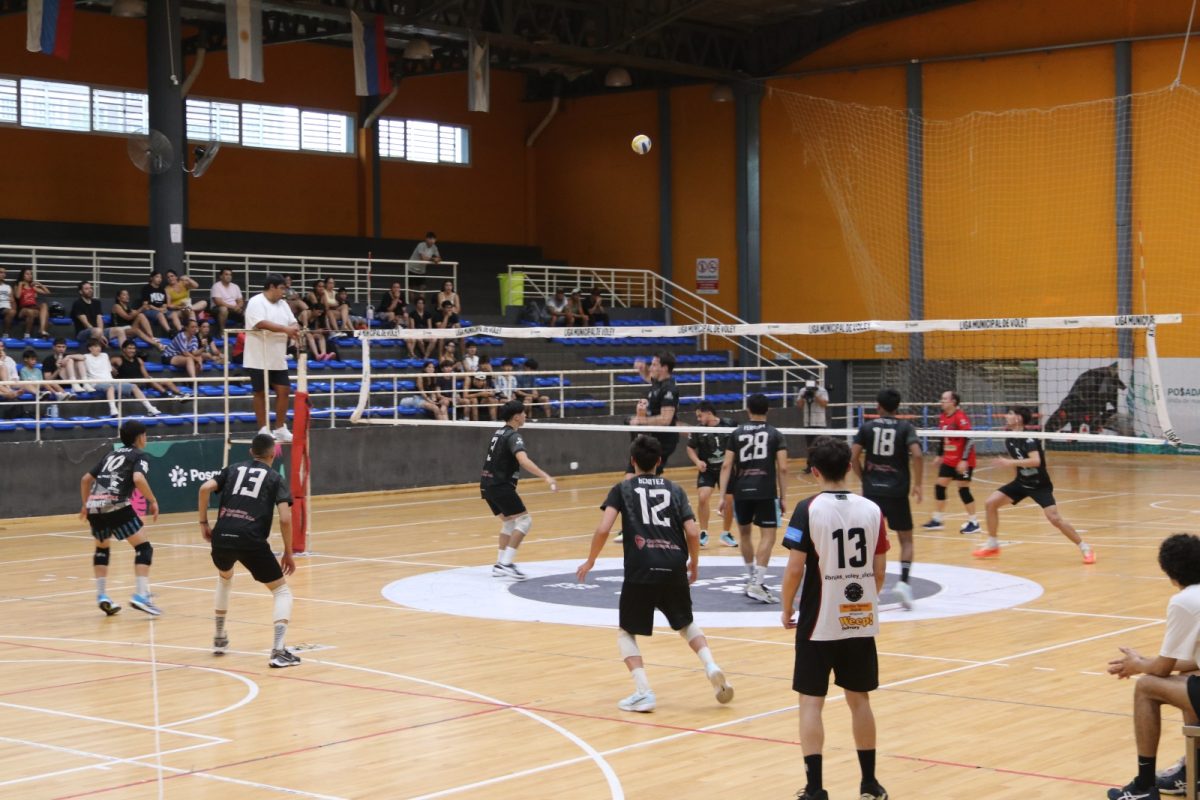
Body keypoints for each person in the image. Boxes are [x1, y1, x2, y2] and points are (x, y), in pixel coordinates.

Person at [576, 435, 734, 713]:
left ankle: (643, 691)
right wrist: (694, 563)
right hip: (674, 564)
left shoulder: (622, 489)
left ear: (633, 461)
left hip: (641, 567)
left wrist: (590, 561)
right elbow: (694, 532)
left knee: (626, 632)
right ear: (660, 462)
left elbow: (603, 529)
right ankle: (711, 665)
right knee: (686, 624)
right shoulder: (675, 490)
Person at [780, 436, 890, 800]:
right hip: (858, 618)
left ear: (814, 471)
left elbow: (795, 568)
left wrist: (785, 606)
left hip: (818, 620)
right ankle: (870, 785)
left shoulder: (807, 509)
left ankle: (815, 789)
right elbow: (879, 571)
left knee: (811, 702)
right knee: (860, 700)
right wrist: (860, 602)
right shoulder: (873, 510)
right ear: (848, 467)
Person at [1104, 533, 1200, 800]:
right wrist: (1145, 663)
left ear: (1169, 572)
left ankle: (1144, 787)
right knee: (1190, 674)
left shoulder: (1186, 600)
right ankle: (1195, 772)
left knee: (1146, 687)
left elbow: (1160, 669)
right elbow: (1190, 661)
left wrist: (1138, 666)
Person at [197, 433, 300, 668]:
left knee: (224, 579)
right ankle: (278, 650)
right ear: (273, 454)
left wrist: (204, 523)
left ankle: (220, 638)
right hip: (251, 538)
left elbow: (204, 488)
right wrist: (288, 551)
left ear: (251, 452)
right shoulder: (275, 477)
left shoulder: (232, 469)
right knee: (281, 592)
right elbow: (285, 518)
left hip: (222, 535)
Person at [975, 406, 1095, 563]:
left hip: (1040, 486)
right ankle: (992, 544)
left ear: (1018, 418)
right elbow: (1020, 464)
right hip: (1021, 483)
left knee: (1054, 519)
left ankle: (1085, 547)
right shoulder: (1009, 438)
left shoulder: (1029, 438)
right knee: (991, 503)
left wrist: (1008, 462)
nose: (1006, 416)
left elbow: (1036, 461)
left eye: (1010, 414)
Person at [851, 387, 923, 610]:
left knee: (870, 542)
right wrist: (918, 484)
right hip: (897, 491)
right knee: (906, 539)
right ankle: (903, 581)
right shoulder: (905, 427)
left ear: (878, 406)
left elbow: (853, 456)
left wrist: (864, 478)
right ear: (897, 406)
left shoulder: (867, 427)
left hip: (873, 492)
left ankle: (869, 587)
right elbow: (918, 455)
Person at [79, 419, 161, 616]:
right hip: (115, 504)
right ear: (140, 437)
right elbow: (138, 479)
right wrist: (153, 500)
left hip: (94, 505)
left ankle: (102, 596)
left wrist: (85, 504)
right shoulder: (140, 455)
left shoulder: (111, 454)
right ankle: (141, 596)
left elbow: (86, 479)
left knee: (102, 548)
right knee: (144, 548)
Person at [717, 392, 788, 603]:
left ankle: (752, 580)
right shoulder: (775, 434)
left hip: (741, 490)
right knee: (768, 536)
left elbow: (726, 465)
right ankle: (757, 583)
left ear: (748, 409)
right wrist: (784, 496)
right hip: (765, 491)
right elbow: (783, 468)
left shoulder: (736, 433)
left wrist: (722, 496)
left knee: (745, 535)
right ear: (768, 410)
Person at [481, 400, 557, 580]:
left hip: (487, 485)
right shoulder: (514, 436)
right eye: (523, 413)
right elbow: (523, 460)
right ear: (516, 417)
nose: (525, 416)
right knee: (524, 521)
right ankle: (506, 564)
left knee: (509, 522)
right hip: (500, 485)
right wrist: (546, 476)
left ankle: (500, 565)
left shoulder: (498, 432)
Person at [245, 274, 299, 442]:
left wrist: (294, 329)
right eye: (282, 288)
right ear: (272, 287)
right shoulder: (256, 301)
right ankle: (263, 429)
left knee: (284, 390)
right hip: (257, 356)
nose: (284, 292)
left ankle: (280, 428)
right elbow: (260, 323)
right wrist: (286, 329)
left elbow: (294, 322)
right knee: (260, 392)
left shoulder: (283, 304)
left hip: (277, 356)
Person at [922, 390, 980, 533]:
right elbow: (943, 437)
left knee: (963, 489)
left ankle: (974, 522)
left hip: (963, 461)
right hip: (949, 460)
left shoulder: (960, 417)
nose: (941, 402)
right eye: (941, 399)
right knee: (939, 486)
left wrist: (964, 460)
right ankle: (938, 520)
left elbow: (970, 438)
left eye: (944, 399)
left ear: (953, 402)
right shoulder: (942, 417)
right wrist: (940, 454)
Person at [686, 400, 737, 548]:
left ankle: (726, 534)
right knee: (702, 497)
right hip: (707, 470)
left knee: (729, 501)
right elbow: (690, 448)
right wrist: (697, 461)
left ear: (709, 413)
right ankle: (704, 532)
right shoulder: (698, 429)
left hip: (726, 469)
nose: (698, 419)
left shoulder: (730, 424)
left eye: (700, 415)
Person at [114, 339, 186, 402]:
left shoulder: (139, 360)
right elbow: (107, 363)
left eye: (134, 348)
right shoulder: (118, 360)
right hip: (129, 386)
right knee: (149, 379)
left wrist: (149, 379)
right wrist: (112, 369)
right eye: (130, 348)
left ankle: (182, 394)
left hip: (141, 383)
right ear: (124, 349)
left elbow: (145, 375)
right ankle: (166, 394)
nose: (132, 351)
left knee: (166, 381)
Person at [795, 379, 830, 474]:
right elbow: (799, 406)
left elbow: (824, 404)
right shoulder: (803, 390)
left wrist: (815, 395)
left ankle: (821, 466)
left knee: (820, 445)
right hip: (807, 423)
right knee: (810, 446)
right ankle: (810, 466)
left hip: (820, 423)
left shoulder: (822, 390)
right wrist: (803, 397)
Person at [70, 280, 119, 347]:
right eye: (86, 289)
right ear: (81, 292)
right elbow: (86, 323)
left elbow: (99, 319)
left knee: (119, 330)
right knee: (97, 331)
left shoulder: (97, 303)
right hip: (82, 333)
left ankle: (124, 354)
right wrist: (99, 333)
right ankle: (94, 351)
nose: (90, 290)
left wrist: (101, 333)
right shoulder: (78, 303)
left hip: (98, 331)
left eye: (90, 288)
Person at [15, 267, 50, 339]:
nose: (30, 275)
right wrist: (20, 285)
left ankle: (42, 330)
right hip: (23, 309)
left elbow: (47, 292)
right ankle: (28, 334)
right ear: (23, 275)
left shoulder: (32, 287)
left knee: (44, 305)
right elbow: (18, 296)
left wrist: (39, 284)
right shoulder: (18, 285)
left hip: (33, 308)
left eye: (31, 274)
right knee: (30, 312)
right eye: (27, 274)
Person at [210, 269, 245, 334]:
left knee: (247, 311)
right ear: (221, 276)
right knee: (223, 309)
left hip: (233, 309)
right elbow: (218, 302)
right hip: (218, 309)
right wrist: (233, 307)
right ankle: (222, 331)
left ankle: (246, 332)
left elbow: (240, 301)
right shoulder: (216, 286)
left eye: (230, 275)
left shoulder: (235, 286)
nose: (229, 276)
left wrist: (238, 306)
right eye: (226, 274)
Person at [0, 267, 14, 336]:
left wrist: (14, 308)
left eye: (4, 273)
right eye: (1, 272)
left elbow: (12, 300)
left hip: (6, 308)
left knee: (11, 311)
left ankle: (6, 334)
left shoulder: (8, 287)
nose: (3, 274)